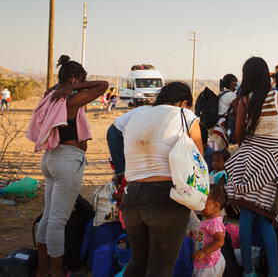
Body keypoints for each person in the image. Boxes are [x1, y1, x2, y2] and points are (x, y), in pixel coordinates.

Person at [31, 55, 108, 277]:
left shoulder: (51, 96)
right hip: (66, 160)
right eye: (82, 80)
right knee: (57, 220)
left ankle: (42, 269)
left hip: (50, 159)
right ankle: (56, 272)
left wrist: (64, 86)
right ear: (76, 79)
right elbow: (103, 86)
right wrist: (76, 86)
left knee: (48, 217)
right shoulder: (70, 100)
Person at [121, 81, 204, 277]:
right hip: (166, 201)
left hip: (132, 197)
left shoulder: (136, 113)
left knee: (138, 262)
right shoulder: (186, 115)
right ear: (184, 102)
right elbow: (198, 159)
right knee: (160, 269)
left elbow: (113, 133)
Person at [224, 57, 278, 277]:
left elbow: (239, 136)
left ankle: (249, 272)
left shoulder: (243, 100)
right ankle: (272, 272)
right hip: (270, 163)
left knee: (246, 215)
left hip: (247, 161)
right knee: (265, 218)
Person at [192, 185, 227, 277]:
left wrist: (204, 251)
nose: (200, 204)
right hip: (204, 261)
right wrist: (195, 235)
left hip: (210, 264)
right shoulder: (208, 220)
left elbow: (220, 241)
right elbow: (206, 235)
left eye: (203, 201)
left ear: (215, 205)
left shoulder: (215, 223)